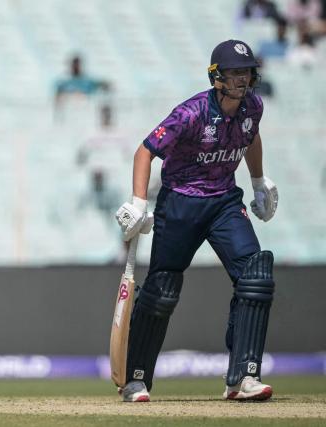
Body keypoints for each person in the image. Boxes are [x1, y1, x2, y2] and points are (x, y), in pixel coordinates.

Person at [115, 40, 278, 403]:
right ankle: (136, 378)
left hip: (223, 200)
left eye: (246, 72)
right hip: (181, 203)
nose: (242, 79)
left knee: (256, 276)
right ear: (216, 76)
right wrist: (139, 202)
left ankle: (244, 377)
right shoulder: (191, 113)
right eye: (234, 72)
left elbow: (249, 136)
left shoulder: (254, 105)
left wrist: (257, 180)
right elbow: (146, 150)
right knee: (161, 291)